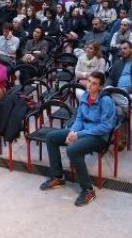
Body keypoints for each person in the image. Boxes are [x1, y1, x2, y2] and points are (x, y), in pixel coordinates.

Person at [40, 71, 117, 207]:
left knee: (73, 150)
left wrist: (79, 135)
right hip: (81, 131)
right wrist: (73, 131)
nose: (90, 86)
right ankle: (58, 176)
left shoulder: (106, 101)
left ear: (100, 87)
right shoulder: (85, 96)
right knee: (51, 137)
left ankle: (88, 190)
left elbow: (105, 126)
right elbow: (79, 118)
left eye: (94, 83)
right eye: (89, 81)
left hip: (98, 136)